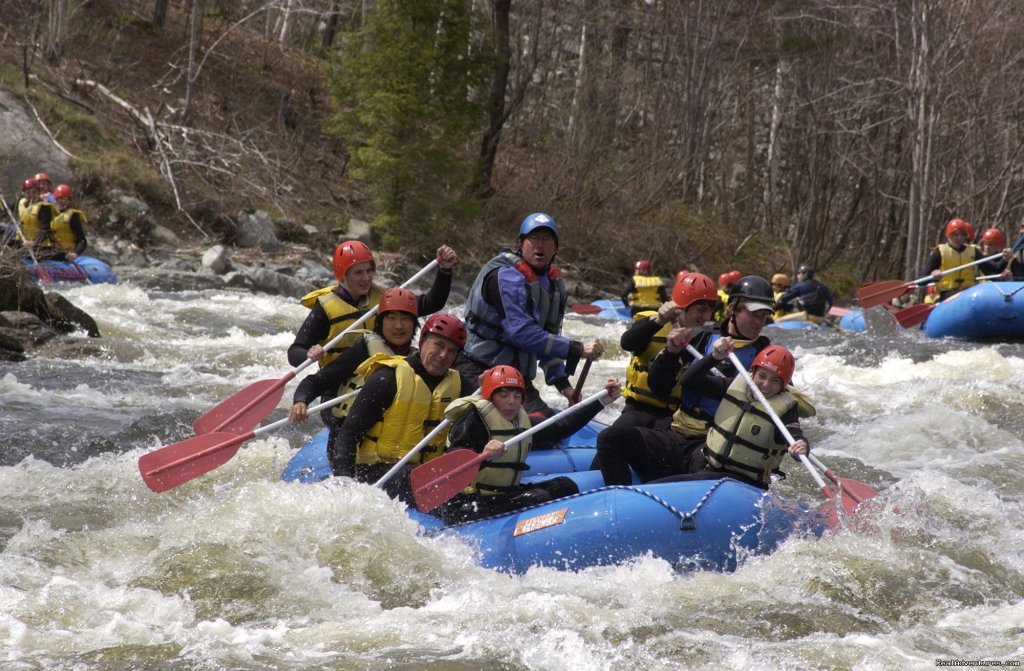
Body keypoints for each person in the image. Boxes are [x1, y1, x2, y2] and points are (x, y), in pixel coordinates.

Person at [604, 342, 810, 490]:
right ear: (752, 372)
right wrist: (713, 357)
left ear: (784, 386)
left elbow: (794, 434)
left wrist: (801, 446)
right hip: (709, 466)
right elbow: (690, 381)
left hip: (743, 483)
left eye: (774, 380)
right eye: (762, 376)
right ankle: (617, 498)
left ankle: (633, 499)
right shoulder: (735, 386)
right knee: (610, 437)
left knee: (657, 487)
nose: (765, 384)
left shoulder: (784, 408)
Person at [458, 212, 604, 418]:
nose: (540, 245)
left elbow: (546, 341)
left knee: (550, 422)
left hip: (514, 378)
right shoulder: (505, 276)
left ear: (555, 248)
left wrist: (564, 386)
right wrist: (576, 348)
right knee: (544, 424)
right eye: (534, 238)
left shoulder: (553, 287)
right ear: (521, 243)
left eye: (547, 240)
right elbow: (522, 333)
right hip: (480, 369)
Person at [437, 366, 622, 523]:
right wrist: (482, 457)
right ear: (490, 397)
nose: (511, 402)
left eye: (517, 396)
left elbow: (559, 429)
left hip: (501, 496)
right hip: (466, 504)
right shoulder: (474, 419)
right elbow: (452, 467)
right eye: (503, 395)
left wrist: (601, 402)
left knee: (565, 486)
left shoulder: (519, 420)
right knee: (537, 498)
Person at [327, 313, 478, 503]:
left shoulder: (459, 384)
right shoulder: (387, 378)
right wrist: (345, 483)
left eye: (451, 351)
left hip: (425, 473)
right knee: (413, 476)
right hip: (375, 473)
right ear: (422, 341)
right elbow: (348, 435)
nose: (443, 355)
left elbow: (492, 412)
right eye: (438, 346)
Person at [289, 288, 420, 461]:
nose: (398, 326)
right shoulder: (365, 350)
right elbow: (318, 381)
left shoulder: (419, 359)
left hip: (395, 449)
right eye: (391, 318)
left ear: (414, 325)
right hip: (348, 444)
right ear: (380, 322)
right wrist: (301, 400)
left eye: (405, 319)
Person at [287, 240, 458, 368]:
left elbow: (432, 303)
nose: (366, 278)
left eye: (369, 270)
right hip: (338, 383)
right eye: (358, 272)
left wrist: (445, 270)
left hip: (380, 375)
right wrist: (309, 354)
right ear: (343, 276)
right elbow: (294, 353)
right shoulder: (325, 308)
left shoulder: (385, 299)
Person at [615, 271, 717, 432]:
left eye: (709, 310)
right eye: (700, 310)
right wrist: (659, 321)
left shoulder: (706, 339)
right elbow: (627, 343)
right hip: (637, 409)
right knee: (616, 436)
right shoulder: (652, 322)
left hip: (673, 416)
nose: (706, 317)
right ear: (681, 307)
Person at [922, 219, 984, 302]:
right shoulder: (939, 252)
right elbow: (921, 279)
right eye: (956, 235)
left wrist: (1004, 260)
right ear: (948, 235)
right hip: (947, 294)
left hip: (968, 292)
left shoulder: (973, 251)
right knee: (961, 296)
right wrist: (934, 278)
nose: (959, 238)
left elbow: (993, 268)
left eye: (962, 235)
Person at [37, 184, 88, 262]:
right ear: (55, 200)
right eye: (60, 199)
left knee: (54, 253)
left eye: (65, 199)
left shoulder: (72, 216)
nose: (62, 202)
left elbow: (82, 241)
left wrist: (75, 254)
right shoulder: (50, 214)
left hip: (66, 253)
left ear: (69, 201)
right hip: (51, 250)